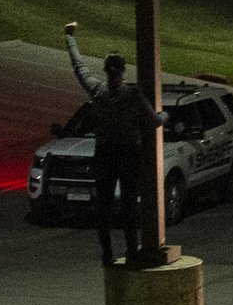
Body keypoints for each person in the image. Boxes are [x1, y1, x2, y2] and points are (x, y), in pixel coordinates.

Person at [63, 21, 164, 268]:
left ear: (106, 70)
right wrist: (165, 116)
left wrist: (70, 39)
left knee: (104, 207)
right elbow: (153, 122)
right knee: (129, 206)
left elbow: (79, 68)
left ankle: (107, 253)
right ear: (123, 71)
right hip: (129, 155)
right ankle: (132, 253)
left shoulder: (98, 92)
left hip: (104, 155)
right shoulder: (133, 95)